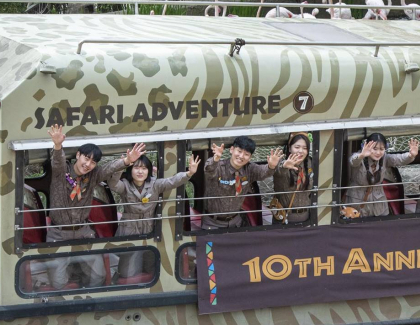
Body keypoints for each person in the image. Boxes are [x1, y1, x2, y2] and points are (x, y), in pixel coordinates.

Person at [46, 124, 139, 290]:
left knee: (98, 275)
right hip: (58, 234)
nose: (88, 164)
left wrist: (127, 161)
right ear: (78, 155)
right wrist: (58, 145)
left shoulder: (93, 175)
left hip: (83, 232)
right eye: (86, 158)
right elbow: (57, 161)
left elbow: (109, 168)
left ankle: (87, 297)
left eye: (93, 162)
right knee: (58, 282)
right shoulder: (62, 171)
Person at [98, 147, 200, 279]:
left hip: (150, 229)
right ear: (130, 170)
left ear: (149, 171)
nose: (140, 171)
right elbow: (113, 184)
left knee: (151, 266)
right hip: (130, 230)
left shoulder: (155, 184)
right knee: (127, 272)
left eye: (144, 168)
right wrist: (123, 164)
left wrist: (189, 173)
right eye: (136, 168)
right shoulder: (125, 185)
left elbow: (172, 181)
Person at [199, 136, 274, 230]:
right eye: (239, 151)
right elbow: (209, 169)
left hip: (236, 222)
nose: (241, 156)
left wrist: (271, 166)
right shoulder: (219, 167)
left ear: (250, 157)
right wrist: (216, 158)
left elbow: (263, 172)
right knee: (209, 242)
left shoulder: (250, 169)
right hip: (212, 223)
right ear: (231, 150)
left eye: (246, 154)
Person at [342, 133, 419, 219]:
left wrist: (411, 155)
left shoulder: (385, 158)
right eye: (375, 149)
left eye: (382, 149)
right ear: (367, 146)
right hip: (357, 201)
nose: (378, 153)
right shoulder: (360, 157)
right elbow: (353, 161)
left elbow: (398, 158)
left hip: (378, 202)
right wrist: (362, 155)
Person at [269, 132, 315, 224]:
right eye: (297, 147)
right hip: (284, 219)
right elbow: (278, 171)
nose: (301, 151)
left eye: (305, 148)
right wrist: (284, 167)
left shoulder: (311, 163)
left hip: (307, 218)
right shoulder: (281, 163)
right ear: (290, 148)